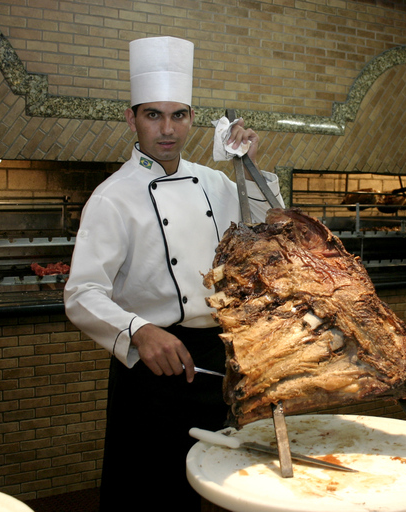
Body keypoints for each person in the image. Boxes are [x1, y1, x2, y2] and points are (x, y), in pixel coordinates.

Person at [63, 36, 284, 510]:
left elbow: (270, 226)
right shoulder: (111, 197)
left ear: (190, 118)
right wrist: (139, 331)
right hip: (152, 364)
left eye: (178, 115)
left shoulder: (214, 181)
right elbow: (82, 293)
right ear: (131, 118)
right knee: (150, 493)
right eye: (153, 115)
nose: (167, 130)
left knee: (224, 484)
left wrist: (247, 164)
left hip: (216, 360)